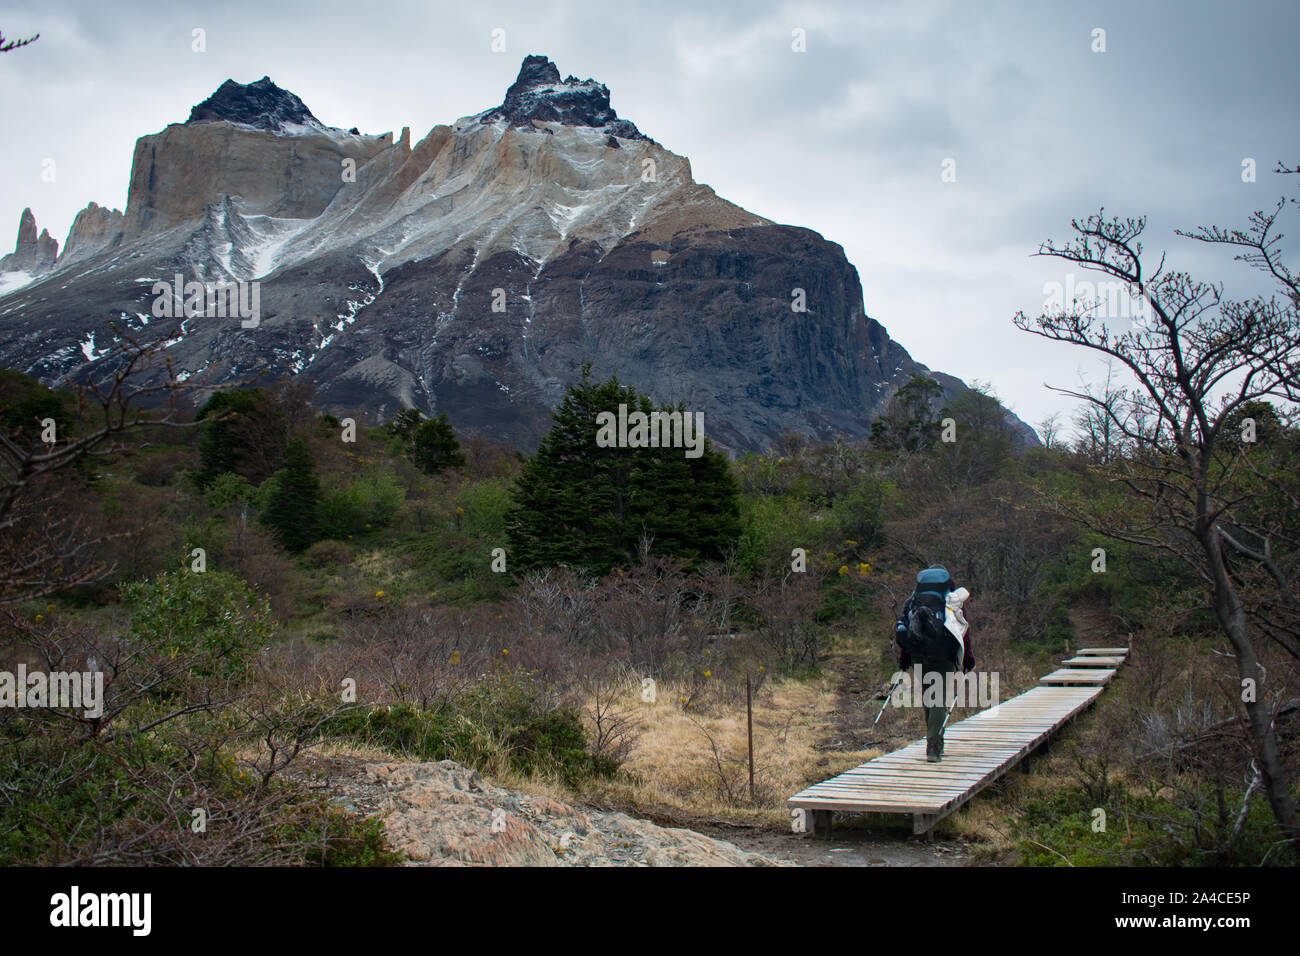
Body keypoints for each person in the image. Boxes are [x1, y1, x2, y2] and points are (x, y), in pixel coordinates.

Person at [893, 565, 975, 762]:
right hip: (943, 655)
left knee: (928, 698)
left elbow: (907, 628)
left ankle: (936, 741)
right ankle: (933, 744)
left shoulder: (913, 600)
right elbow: (963, 631)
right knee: (938, 698)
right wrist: (968, 659)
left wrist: (904, 659)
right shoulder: (952, 601)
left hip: (919, 655)